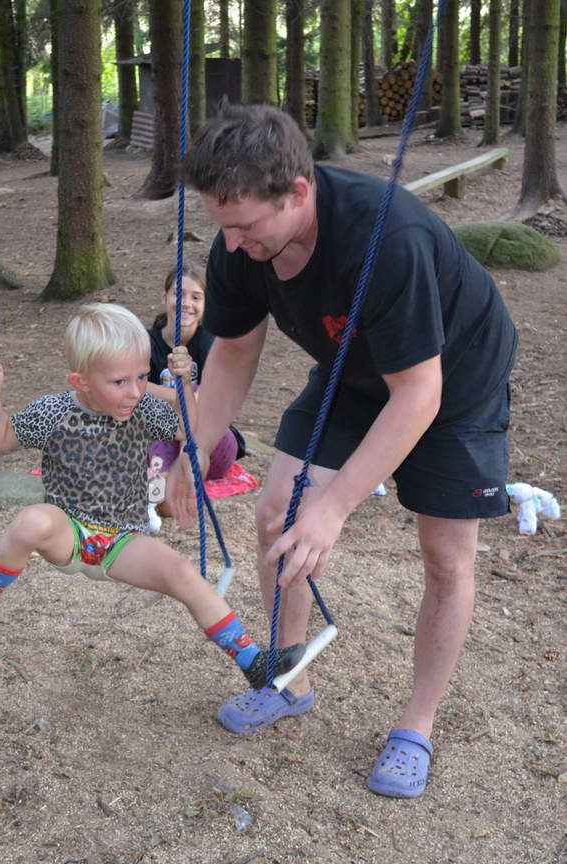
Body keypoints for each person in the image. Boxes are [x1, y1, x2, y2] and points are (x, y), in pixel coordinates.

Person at [169, 103, 518, 798]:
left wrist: (333, 507)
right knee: (277, 511)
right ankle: (290, 677)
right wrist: (196, 445)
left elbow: (418, 394)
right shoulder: (240, 243)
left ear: (298, 192)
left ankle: (416, 725)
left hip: (455, 382)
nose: (231, 243)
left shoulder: (386, 239)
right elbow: (233, 351)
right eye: (221, 225)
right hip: (353, 373)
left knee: (447, 555)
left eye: (244, 226)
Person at [0, 303, 304, 689]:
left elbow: (188, 431)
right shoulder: (53, 411)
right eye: (120, 382)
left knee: (183, 572)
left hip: (124, 539)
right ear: (82, 381)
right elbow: (2, 440)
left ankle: (252, 661)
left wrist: (183, 386)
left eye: (142, 376)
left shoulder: (143, 409)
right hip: (69, 532)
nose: (135, 391)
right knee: (33, 519)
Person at [146, 263, 246, 517]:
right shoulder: (146, 343)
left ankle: (178, 480)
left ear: (205, 304)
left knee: (190, 394)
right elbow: (134, 388)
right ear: (164, 296)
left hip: (213, 447)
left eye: (196, 297)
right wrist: (181, 399)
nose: (186, 303)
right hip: (162, 445)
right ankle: (161, 493)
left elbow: (207, 400)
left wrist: (174, 397)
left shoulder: (211, 342)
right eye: (178, 294)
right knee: (165, 416)